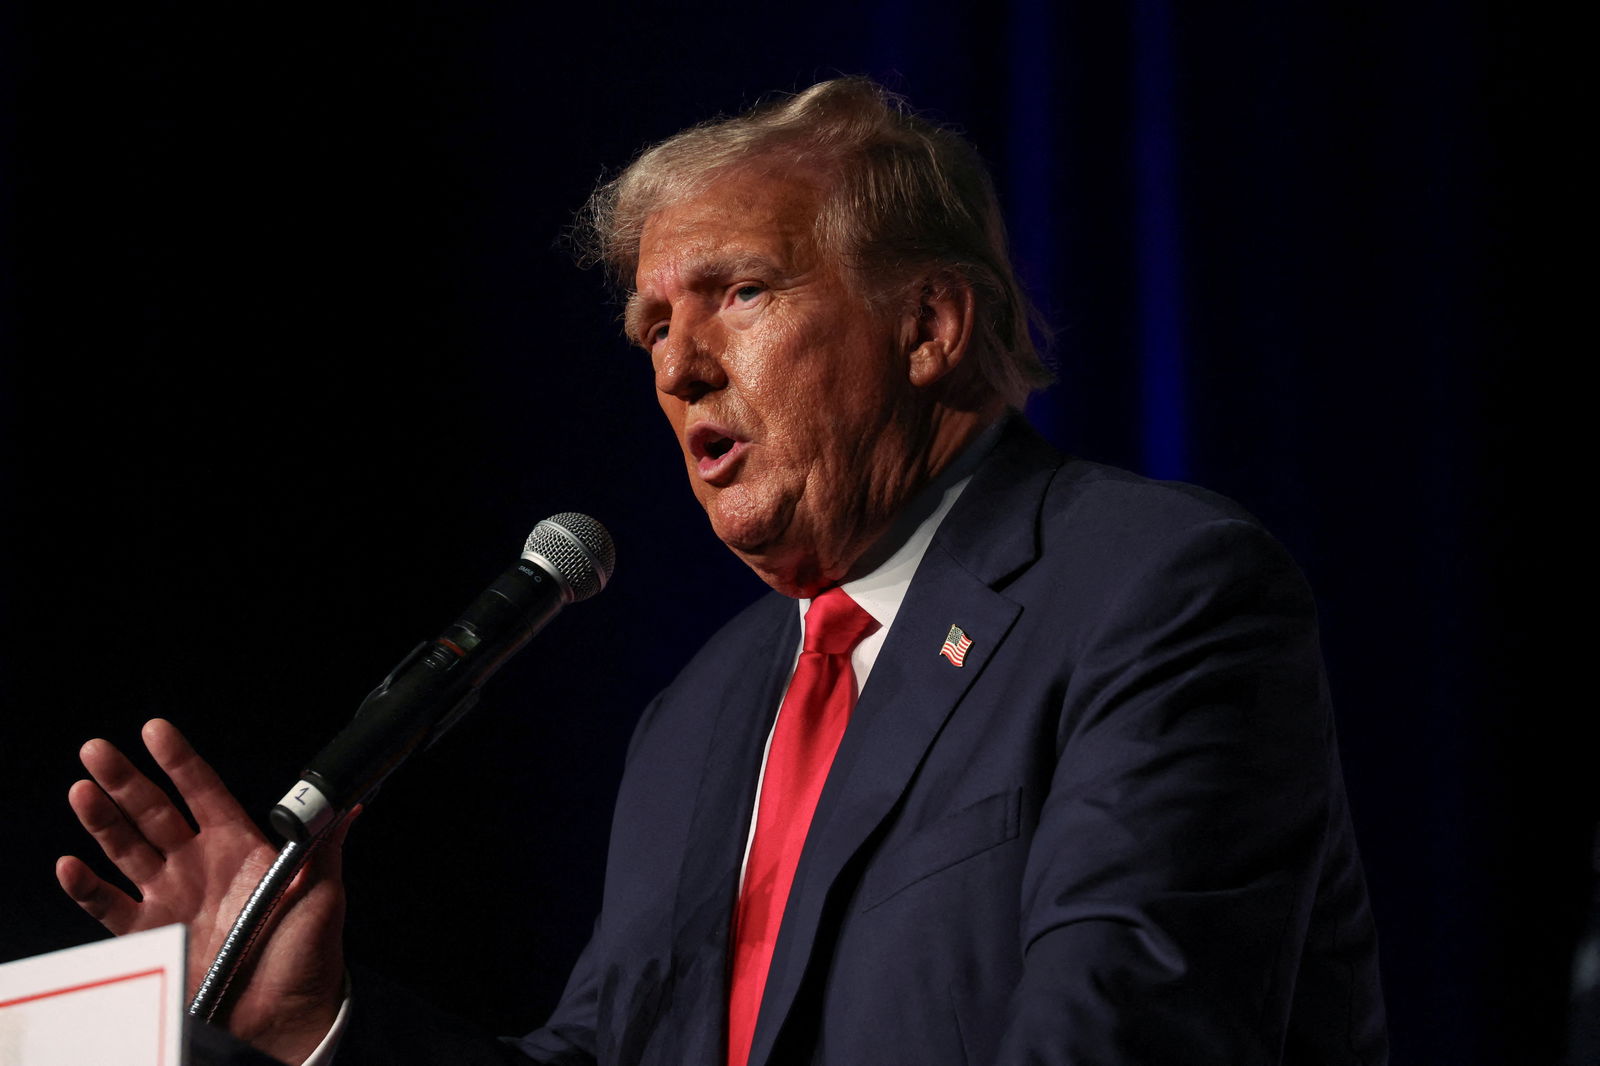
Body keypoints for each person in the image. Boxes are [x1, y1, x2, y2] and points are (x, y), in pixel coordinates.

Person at [57, 77, 1388, 1065]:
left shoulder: (1153, 589)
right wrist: (317, 1021)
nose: (676, 364)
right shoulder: (701, 717)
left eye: (737, 293)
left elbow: (1119, 1035)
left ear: (929, 324)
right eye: (650, 325)